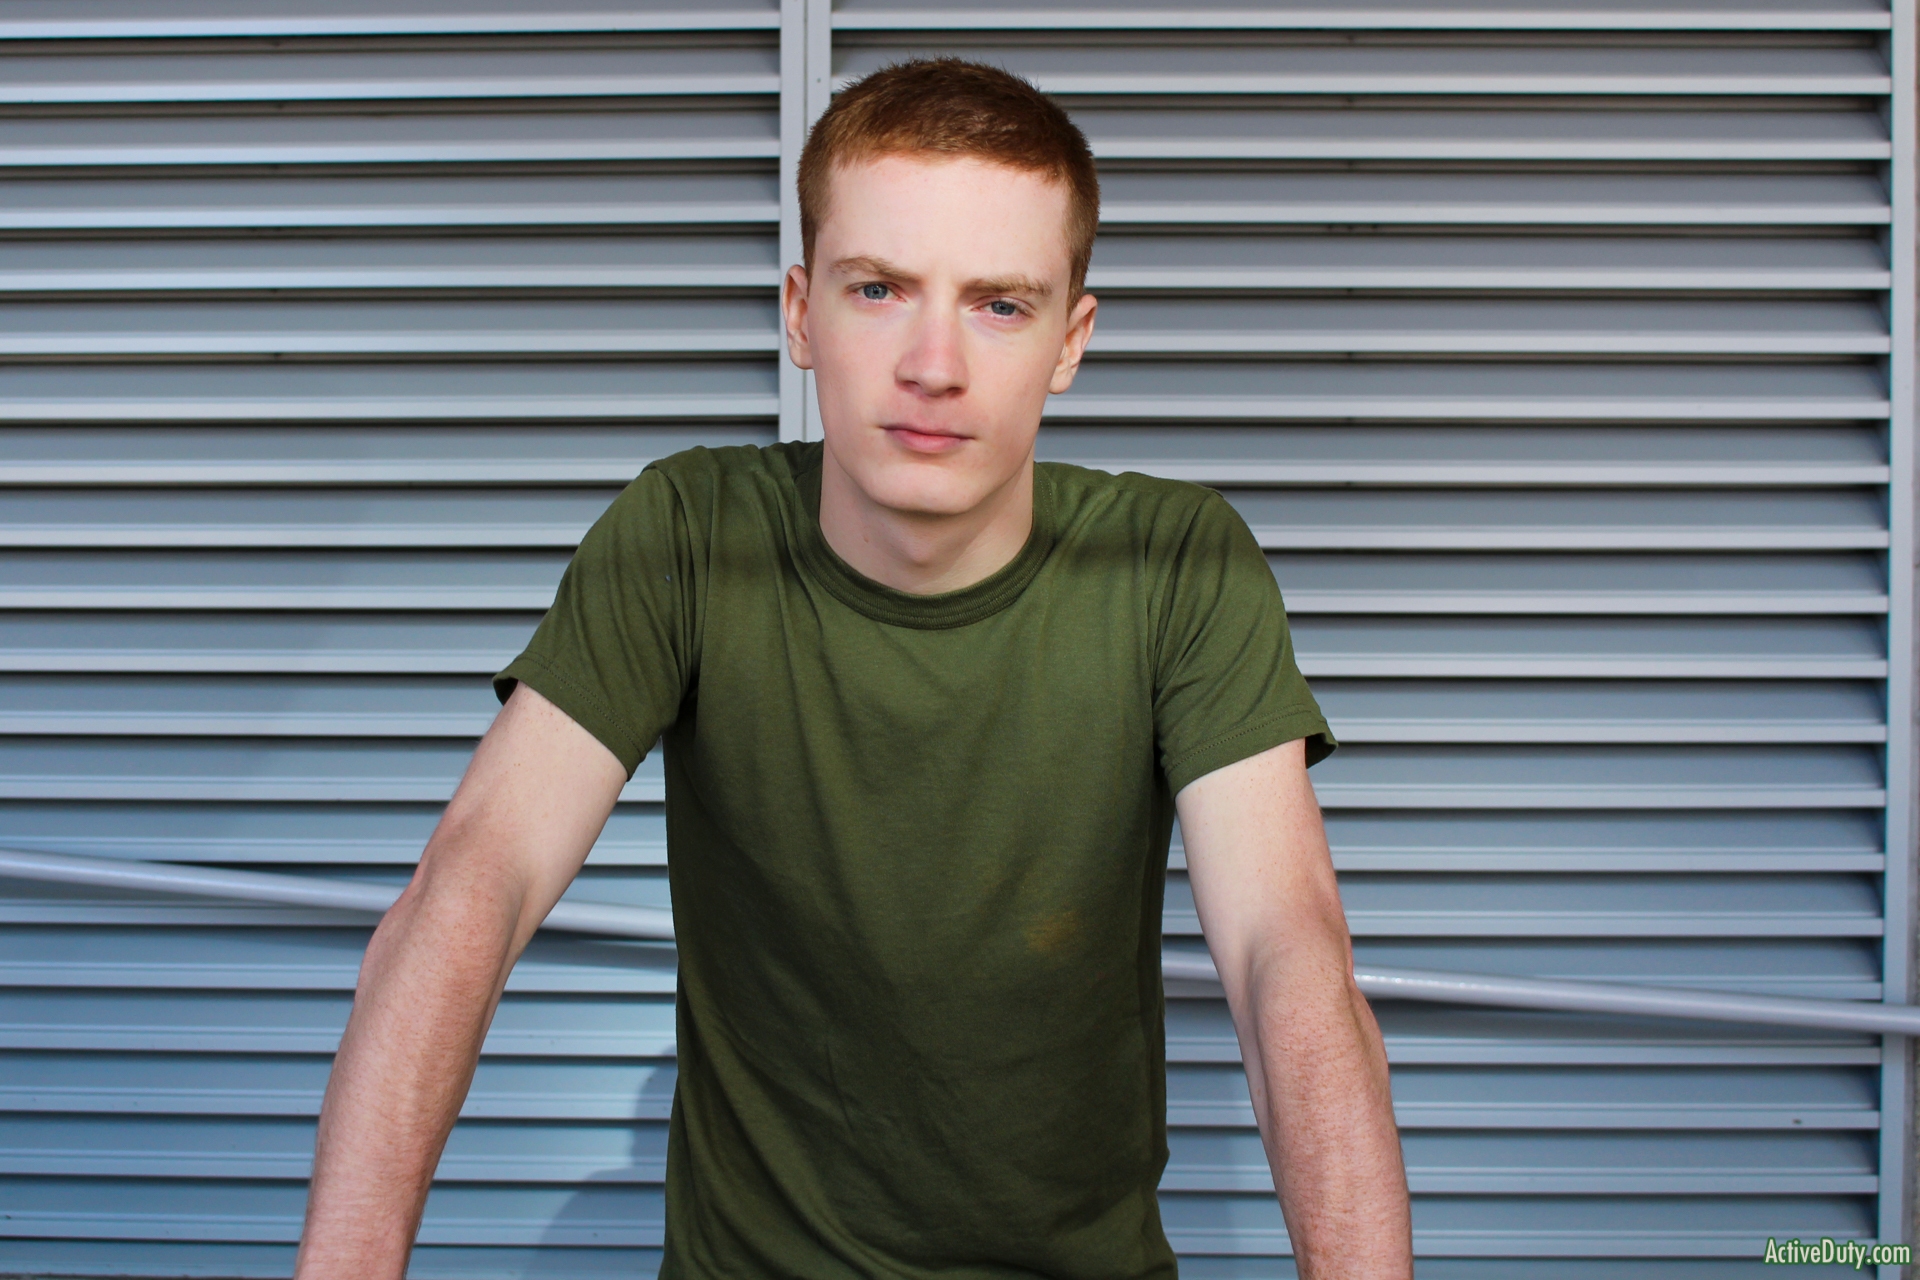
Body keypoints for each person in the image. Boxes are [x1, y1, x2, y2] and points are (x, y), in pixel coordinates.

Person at [294, 58, 1411, 1280]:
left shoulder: (1177, 562)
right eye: (879, 288)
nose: (933, 363)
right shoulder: (686, 534)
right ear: (800, 311)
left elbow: (1285, 949)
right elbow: (476, 880)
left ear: (1071, 340)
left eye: (999, 304)